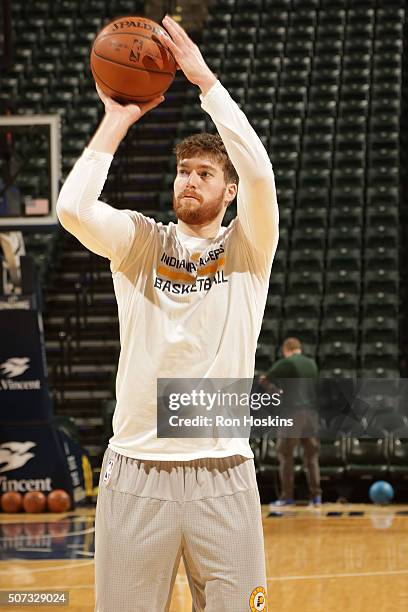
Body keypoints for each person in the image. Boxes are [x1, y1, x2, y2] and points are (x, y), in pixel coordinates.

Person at [56, 15, 278, 612]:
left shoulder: (248, 249)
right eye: (183, 171)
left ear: (227, 192)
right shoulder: (139, 241)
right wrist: (116, 118)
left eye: (205, 174)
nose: (190, 180)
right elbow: (72, 208)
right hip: (135, 471)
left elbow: (259, 170)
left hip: (223, 471)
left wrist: (205, 81)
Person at [260, 337, 322, 507]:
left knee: (286, 455)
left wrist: (275, 392)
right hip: (311, 414)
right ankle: (316, 497)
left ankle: (287, 496)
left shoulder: (287, 363)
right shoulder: (311, 364)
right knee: (311, 457)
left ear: (286, 350)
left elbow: (264, 378)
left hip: (293, 413)